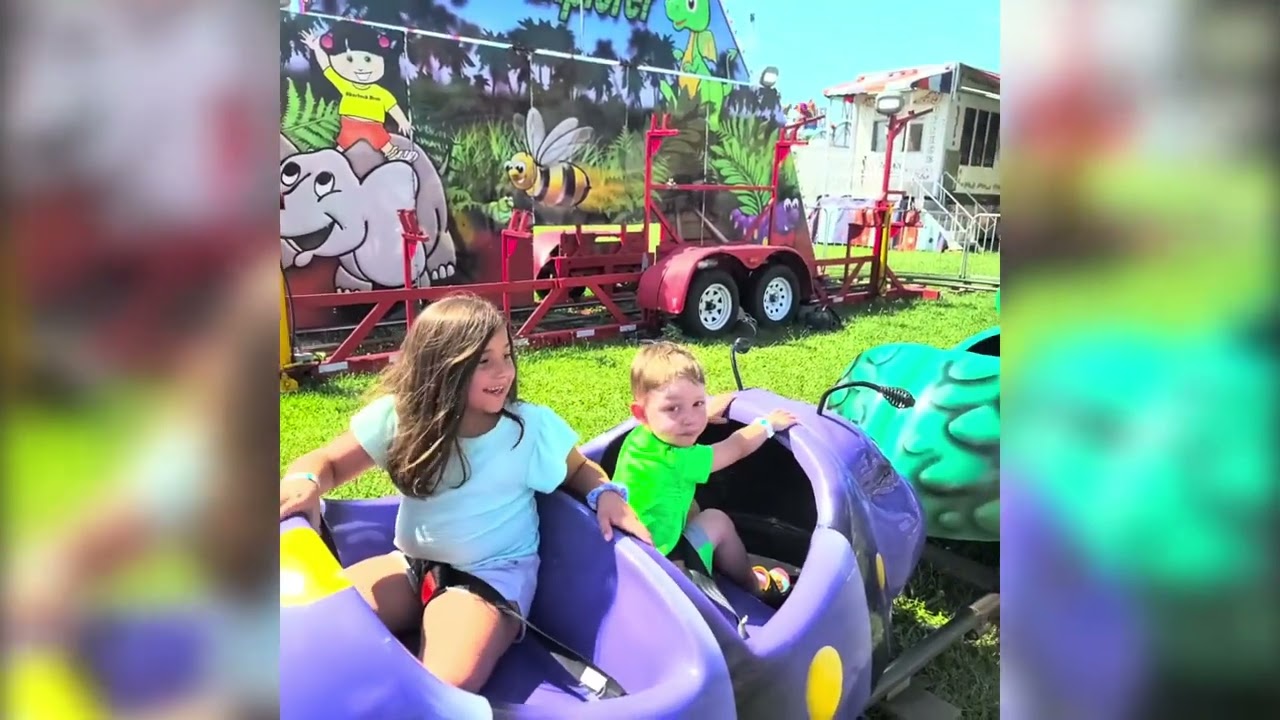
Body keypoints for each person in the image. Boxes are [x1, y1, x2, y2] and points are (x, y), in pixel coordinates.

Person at [277, 294, 651, 693]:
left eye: (506, 355)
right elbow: (329, 462)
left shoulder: (529, 429)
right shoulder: (402, 418)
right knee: (304, 625)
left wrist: (605, 493)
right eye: (484, 361)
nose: (503, 371)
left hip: (489, 580)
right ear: (441, 366)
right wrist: (305, 480)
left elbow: (578, 469)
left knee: (441, 688)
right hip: (412, 565)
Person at [611, 341, 798, 606]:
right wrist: (767, 425)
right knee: (717, 520)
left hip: (635, 554)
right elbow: (736, 447)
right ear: (641, 413)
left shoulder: (638, 439)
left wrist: (704, 413)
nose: (690, 418)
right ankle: (753, 583)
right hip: (671, 575)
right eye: (673, 408)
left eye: (697, 403)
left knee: (692, 506)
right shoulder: (678, 459)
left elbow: (678, 422)